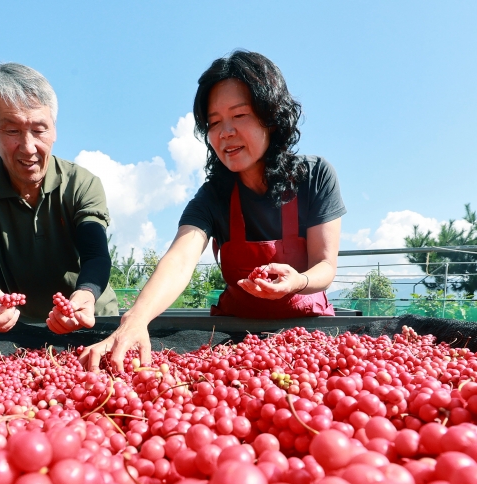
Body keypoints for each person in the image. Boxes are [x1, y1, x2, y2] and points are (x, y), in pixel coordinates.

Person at [80, 50, 345, 371]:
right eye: (214, 122)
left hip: (308, 338)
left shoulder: (314, 176)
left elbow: (325, 266)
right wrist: (135, 320)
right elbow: (179, 260)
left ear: (271, 118)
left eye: (240, 115)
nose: (225, 132)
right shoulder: (213, 197)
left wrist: (297, 282)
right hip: (238, 340)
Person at [0, 62, 117, 333]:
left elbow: (95, 254)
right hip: (24, 328)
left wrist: (85, 294)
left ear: (54, 128)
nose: (28, 148)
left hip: (92, 317)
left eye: (39, 130)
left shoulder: (81, 184)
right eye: (12, 130)